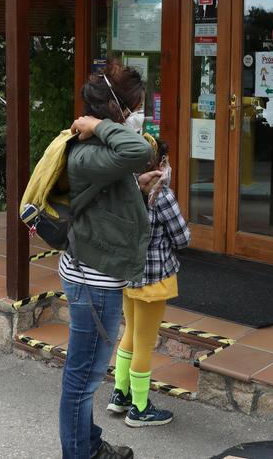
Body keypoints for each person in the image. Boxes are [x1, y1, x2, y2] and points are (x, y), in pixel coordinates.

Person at [59, 62, 159, 459]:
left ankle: (89, 445)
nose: (140, 113)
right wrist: (97, 125)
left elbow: (112, 181)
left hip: (95, 272)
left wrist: (136, 185)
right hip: (93, 281)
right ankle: (79, 454)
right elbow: (138, 150)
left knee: (86, 374)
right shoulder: (88, 150)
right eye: (134, 106)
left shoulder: (101, 148)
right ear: (117, 109)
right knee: (82, 379)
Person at [107, 139, 190, 427]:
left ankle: (120, 393)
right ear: (161, 163)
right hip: (154, 279)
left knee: (129, 332)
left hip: (129, 274)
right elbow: (182, 238)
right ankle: (140, 408)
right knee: (145, 342)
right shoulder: (162, 196)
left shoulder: (124, 189)